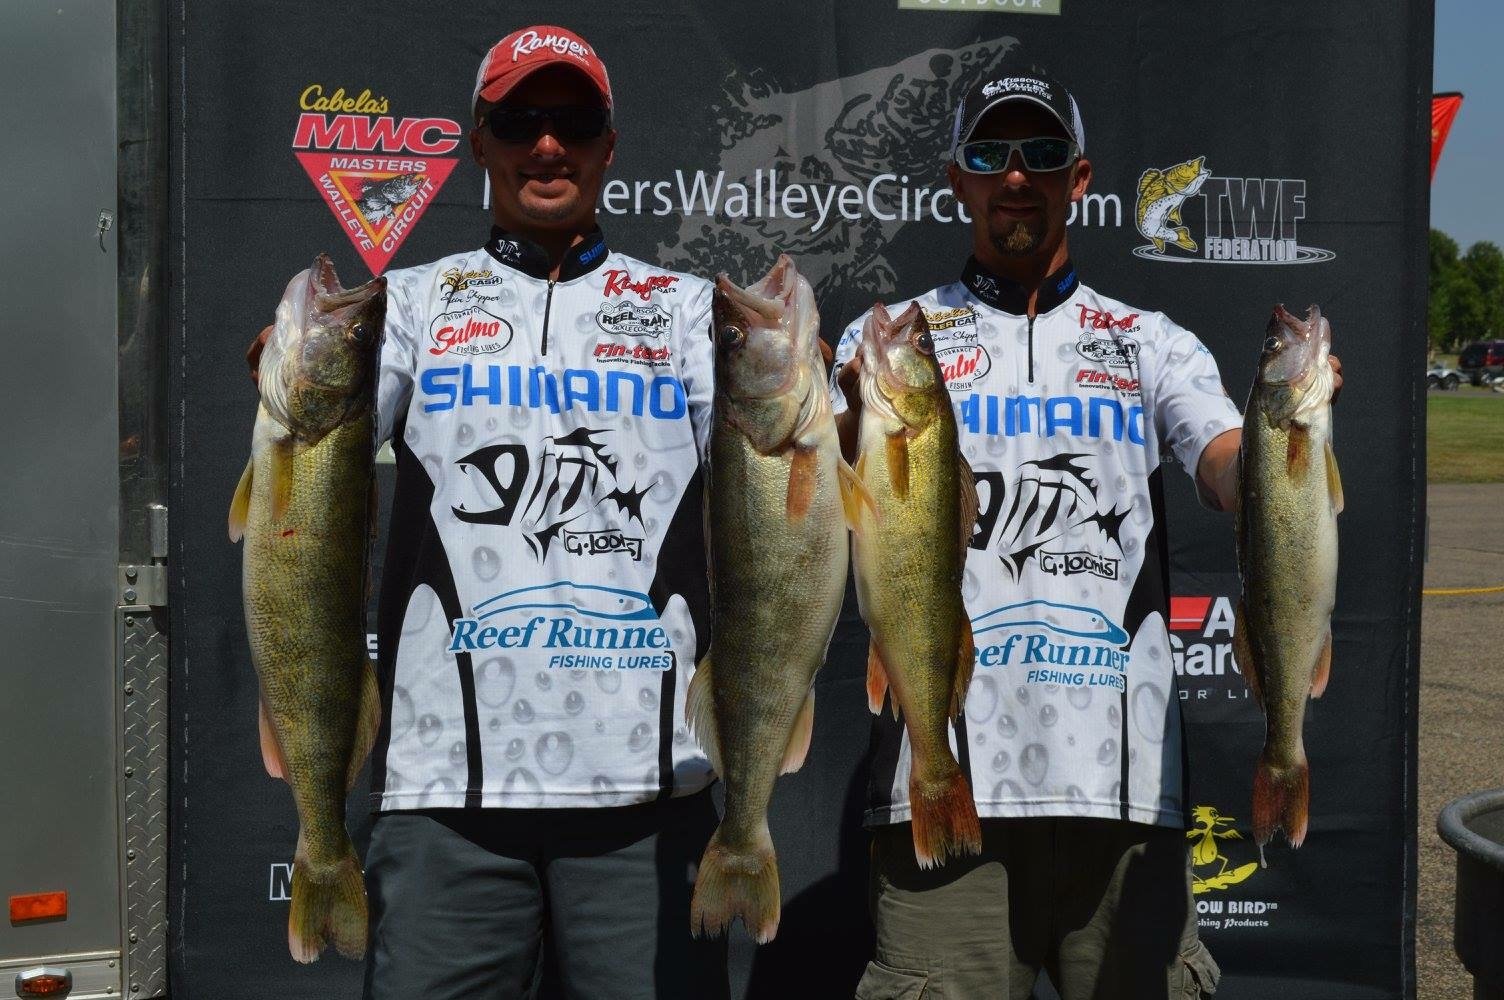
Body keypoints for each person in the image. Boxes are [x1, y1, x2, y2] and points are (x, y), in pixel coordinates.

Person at [831, 58, 1340, 999]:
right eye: (990, 154)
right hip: (945, 786)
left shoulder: (1151, 341)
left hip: (1126, 791)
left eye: (1041, 151)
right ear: (957, 181)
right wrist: (827, 415)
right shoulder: (894, 341)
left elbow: (1223, 466)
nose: (1015, 173)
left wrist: (1282, 443)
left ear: (1079, 177)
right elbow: (815, 489)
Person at [253, 24, 726, 1000]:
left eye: (573, 123)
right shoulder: (408, 304)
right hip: (446, 795)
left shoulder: (689, 312)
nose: (546, 146)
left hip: (646, 791)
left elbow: (788, 470)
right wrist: (288, 376)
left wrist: (846, 408)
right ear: (478, 142)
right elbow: (320, 444)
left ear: (608, 145)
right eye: (519, 122)